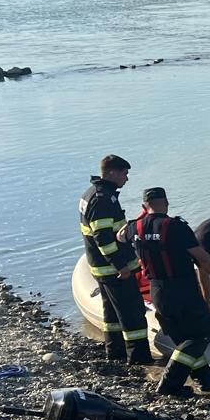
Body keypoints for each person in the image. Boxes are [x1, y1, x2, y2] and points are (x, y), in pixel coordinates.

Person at [121, 187, 210, 396]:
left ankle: (204, 379)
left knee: (182, 337)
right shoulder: (175, 227)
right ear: (166, 203)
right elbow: (203, 258)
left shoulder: (134, 227)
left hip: (157, 290)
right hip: (182, 289)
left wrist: (140, 218)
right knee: (201, 334)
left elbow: (120, 236)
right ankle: (169, 384)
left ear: (144, 206)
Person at [77, 154, 151, 365]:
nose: (126, 179)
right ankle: (139, 359)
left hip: (100, 267)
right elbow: (104, 238)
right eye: (124, 173)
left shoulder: (92, 193)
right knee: (132, 313)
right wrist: (120, 265)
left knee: (111, 314)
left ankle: (115, 352)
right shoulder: (102, 200)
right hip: (113, 269)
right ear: (111, 172)